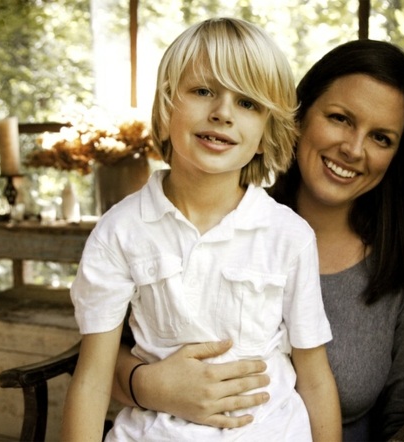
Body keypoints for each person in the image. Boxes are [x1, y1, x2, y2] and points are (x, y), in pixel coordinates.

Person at [112, 39, 404, 441]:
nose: (353, 149)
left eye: (381, 138)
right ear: (298, 114)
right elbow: (100, 361)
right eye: (341, 118)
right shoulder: (211, 221)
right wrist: (153, 387)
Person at [62, 17, 341, 442]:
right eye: (203, 91)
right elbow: (92, 381)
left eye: (248, 103)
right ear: (166, 105)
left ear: (267, 134)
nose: (222, 113)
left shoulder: (289, 236)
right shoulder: (119, 231)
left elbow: (315, 378)